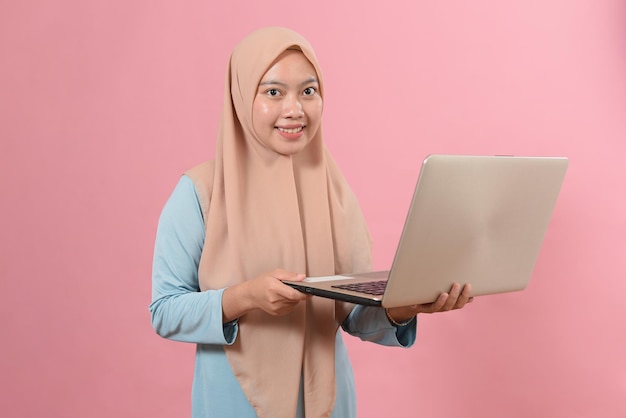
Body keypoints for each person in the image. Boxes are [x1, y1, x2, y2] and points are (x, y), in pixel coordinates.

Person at [150, 26, 472, 418]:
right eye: (273, 92)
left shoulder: (333, 190)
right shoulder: (201, 191)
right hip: (235, 403)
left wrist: (404, 308)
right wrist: (245, 297)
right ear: (239, 96)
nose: (295, 109)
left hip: (330, 403)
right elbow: (165, 310)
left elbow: (352, 312)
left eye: (308, 90)